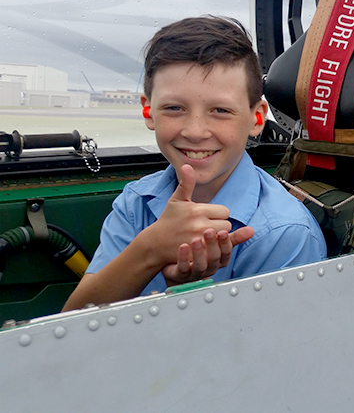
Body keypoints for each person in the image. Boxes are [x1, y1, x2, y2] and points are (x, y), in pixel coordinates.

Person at [63, 16, 326, 311]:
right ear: (149, 112)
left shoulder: (284, 234)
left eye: (221, 110)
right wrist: (150, 249)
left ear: (256, 118)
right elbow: (74, 321)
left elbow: (269, 351)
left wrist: (188, 292)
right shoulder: (136, 202)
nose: (195, 131)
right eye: (174, 108)